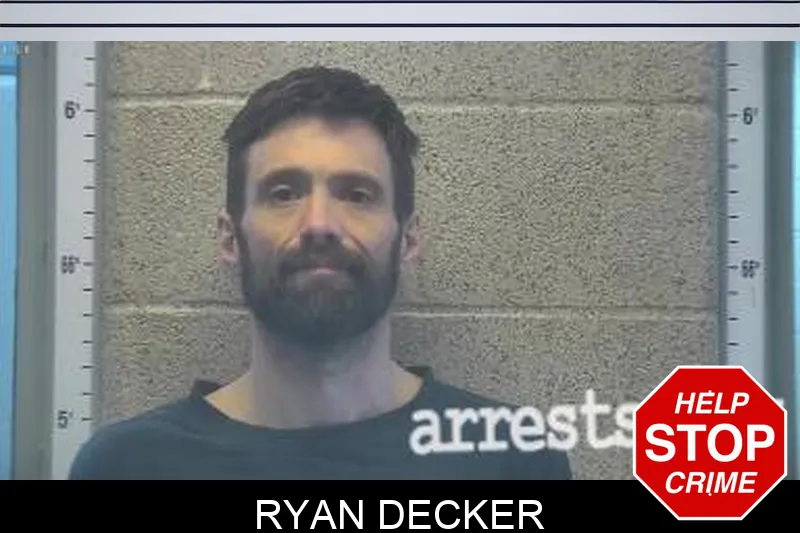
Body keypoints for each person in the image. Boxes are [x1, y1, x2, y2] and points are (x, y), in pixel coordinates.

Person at [68, 66, 572, 480]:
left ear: (409, 239)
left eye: (357, 194)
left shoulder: (513, 460)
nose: (319, 225)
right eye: (283, 193)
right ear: (229, 238)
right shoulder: (128, 466)